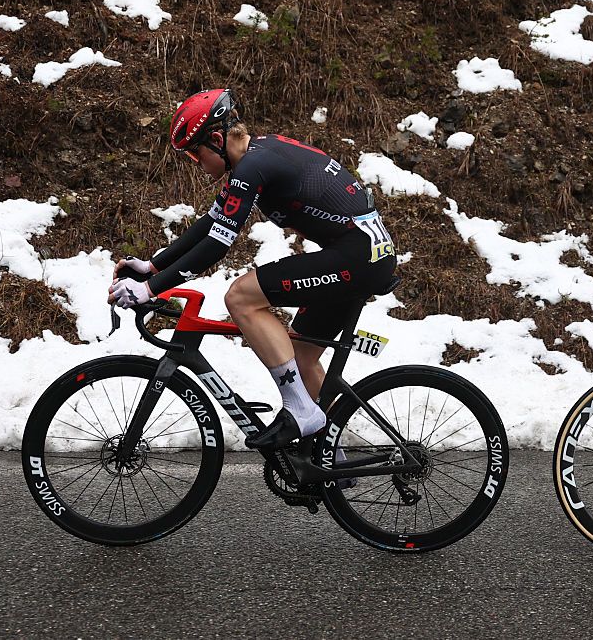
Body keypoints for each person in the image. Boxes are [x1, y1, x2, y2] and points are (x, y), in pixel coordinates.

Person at [108, 88, 397, 449]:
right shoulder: (256, 158)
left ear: (217, 140)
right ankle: (327, 455)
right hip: (364, 256)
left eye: (195, 153)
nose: (196, 163)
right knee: (301, 357)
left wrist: (150, 290)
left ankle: (301, 411)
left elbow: (217, 244)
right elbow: (209, 224)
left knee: (241, 297)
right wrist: (153, 267)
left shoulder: (253, 167)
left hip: (358, 258)